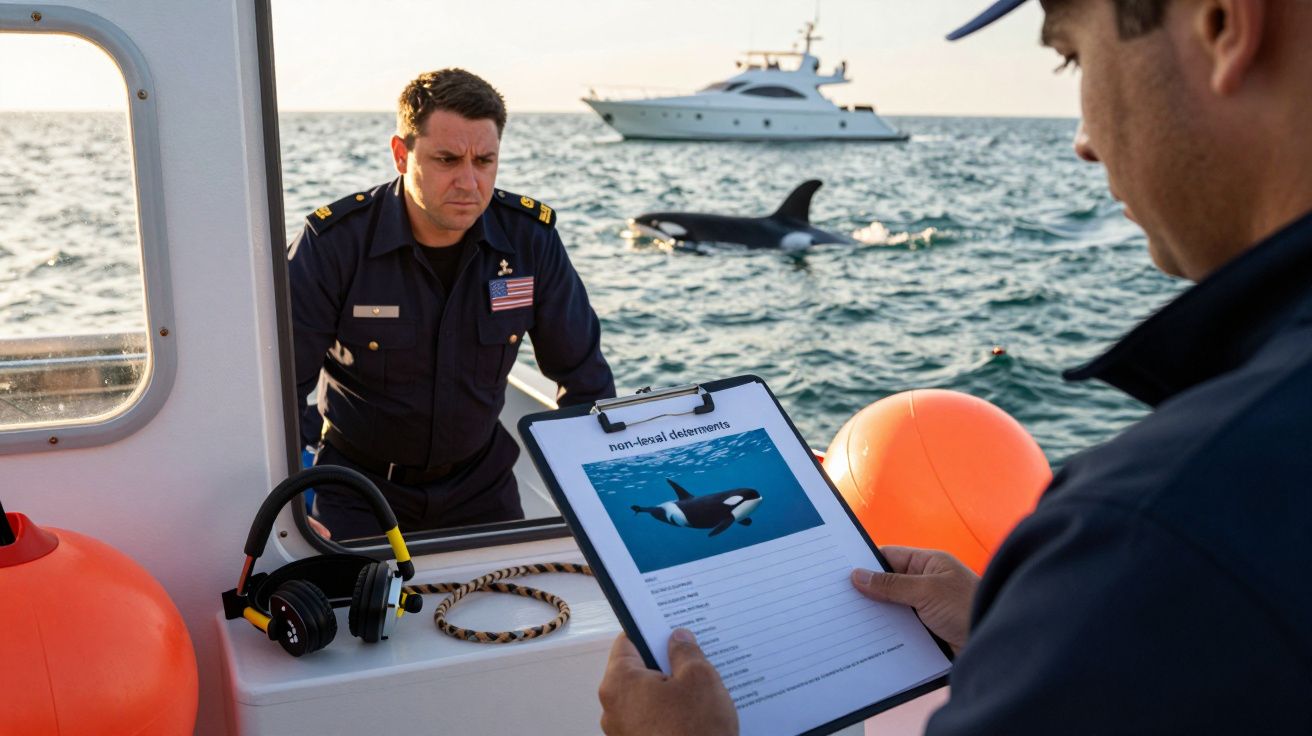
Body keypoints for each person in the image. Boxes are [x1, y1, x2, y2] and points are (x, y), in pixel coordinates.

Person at [598, 0, 1312, 732]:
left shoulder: (1155, 524)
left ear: (1224, 24)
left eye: (1072, 56)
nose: (1083, 142)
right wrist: (1011, 631)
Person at [288, 69, 615, 539]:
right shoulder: (335, 245)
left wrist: (598, 492)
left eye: (484, 160)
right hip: (359, 492)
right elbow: (279, 391)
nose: (469, 181)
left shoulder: (529, 240)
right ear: (402, 155)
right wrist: (295, 507)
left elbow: (584, 378)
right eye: (447, 159)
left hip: (482, 489)